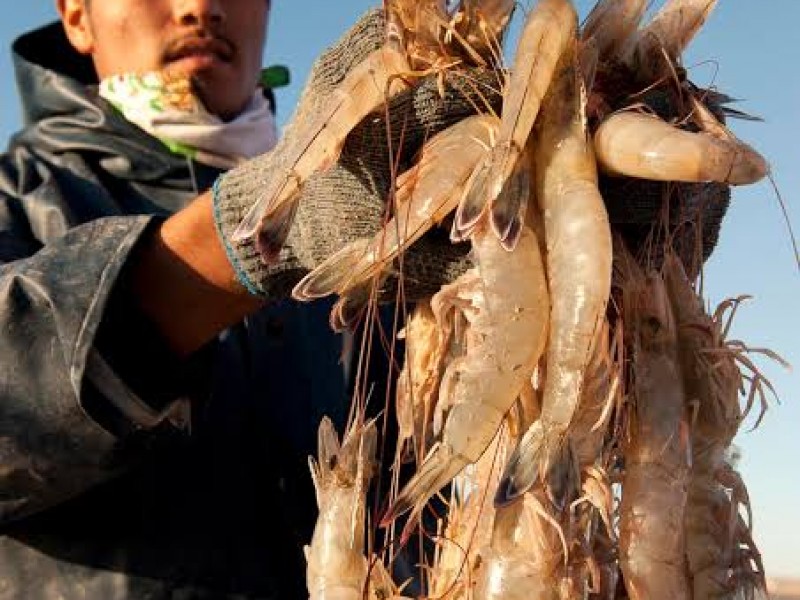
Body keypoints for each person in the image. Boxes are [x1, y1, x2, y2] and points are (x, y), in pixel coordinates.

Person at [0, 0, 731, 598]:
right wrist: (243, 238)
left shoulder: (389, 177)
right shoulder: (17, 199)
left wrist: (627, 261)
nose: (198, 7)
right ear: (76, 15)